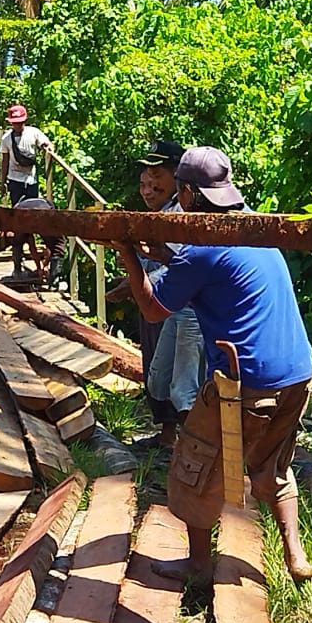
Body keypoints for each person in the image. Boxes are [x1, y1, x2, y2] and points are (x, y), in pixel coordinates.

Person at [113, 146, 312, 583]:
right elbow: (221, 273)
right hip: (297, 373)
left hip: (245, 381)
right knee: (274, 465)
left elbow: (153, 309)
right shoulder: (254, 226)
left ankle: (199, 565)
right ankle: (295, 556)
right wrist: (169, 257)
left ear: (186, 192)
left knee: (194, 464)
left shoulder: (200, 248)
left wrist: (128, 255)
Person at [109, 140, 205, 448]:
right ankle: (169, 435)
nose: (148, 189)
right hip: (158, 300)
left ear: (177, 176)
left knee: (183, 381)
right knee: (158, 373)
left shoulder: (182, 213)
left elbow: (183, 266)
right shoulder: (162, 211)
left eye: (157, 180)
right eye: (144, 183)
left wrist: (137, 281)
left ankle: (193, 447)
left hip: (176, 304)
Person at [0, 104, 52, 206]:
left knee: (32, 208)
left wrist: (48, 147)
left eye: (20, 123)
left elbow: (46, 143)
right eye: (15, 123)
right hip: (14, 179)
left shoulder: (33, 132)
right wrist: (3, 181)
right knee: (17, 208)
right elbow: (5, 161)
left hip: (31, 179)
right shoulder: (6, 139)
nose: (18, 125)